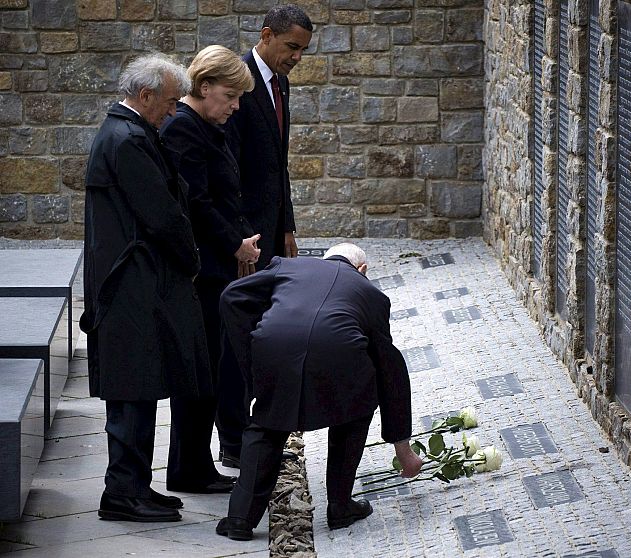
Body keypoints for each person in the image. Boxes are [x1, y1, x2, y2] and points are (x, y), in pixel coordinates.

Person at [215, 243, 425, 541]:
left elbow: (231, 295)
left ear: (324, 258)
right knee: (356, 407)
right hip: (338, 354)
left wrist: (249, 357)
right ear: (362, 270)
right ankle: (340, 507)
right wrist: (403, 451)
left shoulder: (287, 265)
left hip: (275, 345)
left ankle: (239, 519)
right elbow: (390, 371)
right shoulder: (373, 295)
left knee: (266, 425)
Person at [81, 53, 212, 522]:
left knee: (140, 386)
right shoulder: (128, 139)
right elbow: (160, 214)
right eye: (172, 102)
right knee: (132, 390)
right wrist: (191, 258)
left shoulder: (128, 133)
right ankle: (122, 492)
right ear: (145, 96)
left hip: (133, 281)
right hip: (130, 284)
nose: (174, 111)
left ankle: (135, 485)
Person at [159, 45, 257, 492]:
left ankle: (194, 464)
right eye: (231, 96)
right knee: (200, 372)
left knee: (211, 369)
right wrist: (234, 242)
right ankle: (189, 468)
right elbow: (194, 203)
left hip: (217, 267)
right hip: (202, 272)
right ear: (204, 87)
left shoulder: (204, 127)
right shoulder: (184, 129)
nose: (236, 107)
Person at [226, 4, 313, 270]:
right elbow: (227, 167)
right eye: (291, 47)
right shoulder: (237, 80)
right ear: (266, 36)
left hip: (272, 229)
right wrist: (237, 237)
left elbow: (278, 163)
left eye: (302, 50)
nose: (297, 57)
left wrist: (286, 227)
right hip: (246, 233)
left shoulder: (280, 81)